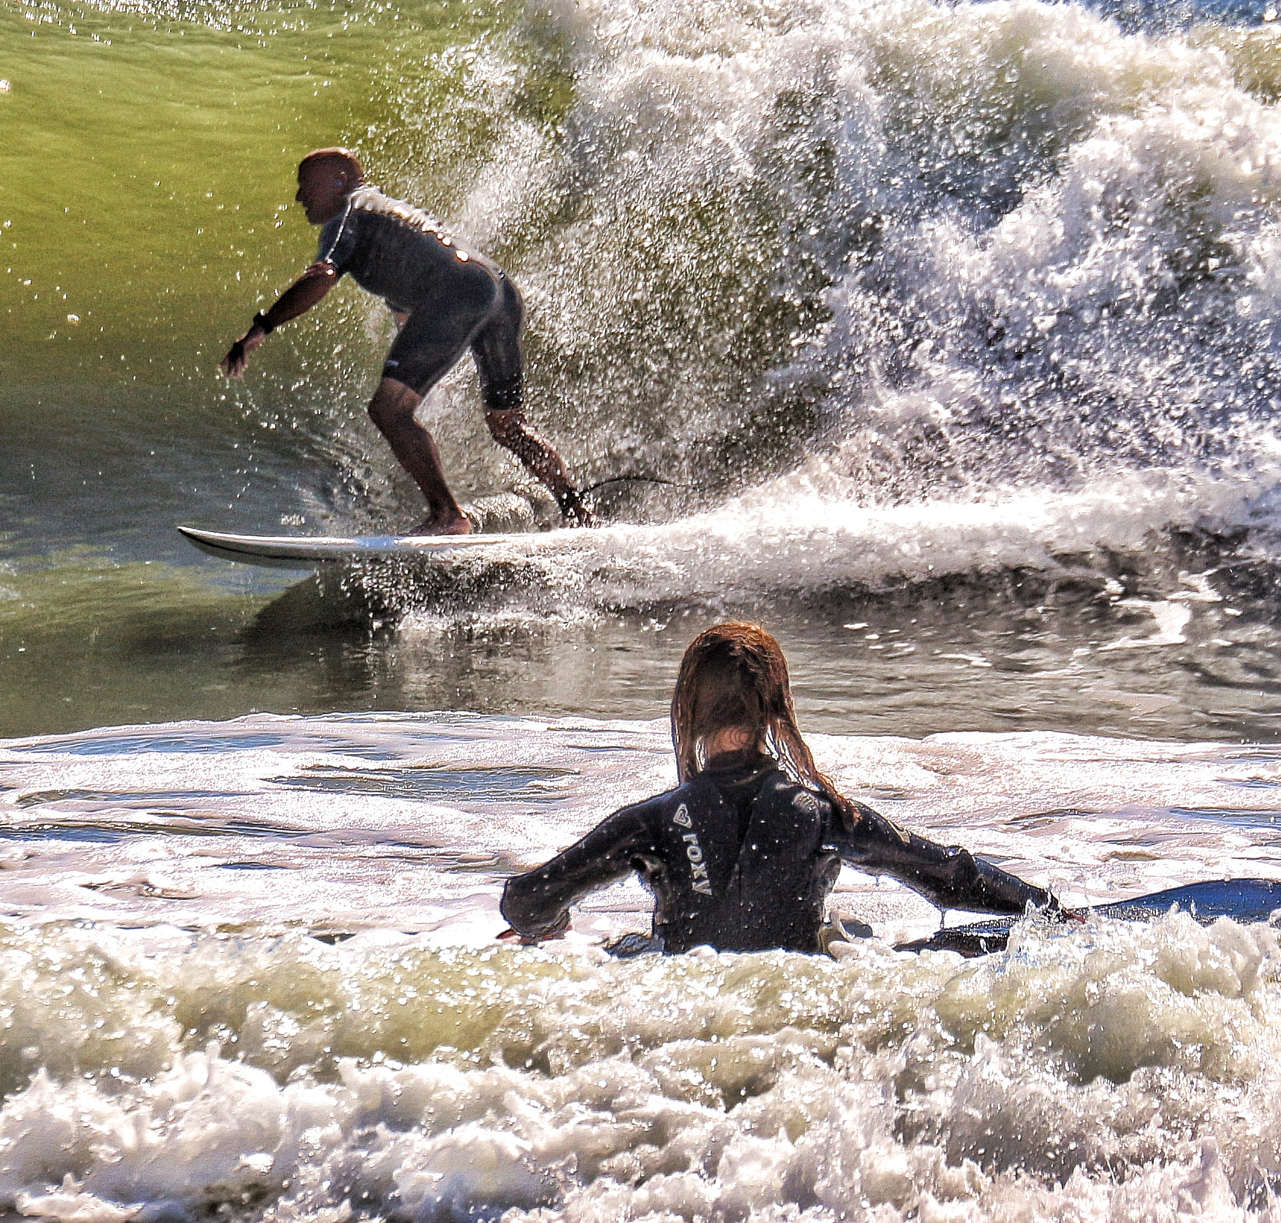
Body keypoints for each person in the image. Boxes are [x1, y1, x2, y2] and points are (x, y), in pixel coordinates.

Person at [500, 622, 1058, 954]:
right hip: (794, 992)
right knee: (869, 939)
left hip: (680, 1001)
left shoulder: (649, 823)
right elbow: (951, 878)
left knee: (627, 949)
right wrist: (1047, 909)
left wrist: (551, 925)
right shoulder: (824, 816)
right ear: (774, 711)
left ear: (689, 713)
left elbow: (526, 900)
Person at [221, 149, 589, 535]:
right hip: (499, 291)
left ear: (339, 182)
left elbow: (322, 275)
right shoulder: (391, 216)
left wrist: (261, 326)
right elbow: (413, 305)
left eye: (305, 186)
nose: (299, 198)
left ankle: (447, 516)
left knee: (389, 411)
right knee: (508, 425)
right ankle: (577, 509)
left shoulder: (350, 212)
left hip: (459, 290)